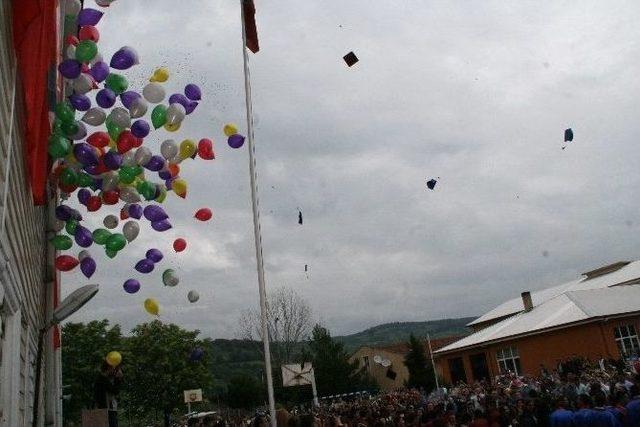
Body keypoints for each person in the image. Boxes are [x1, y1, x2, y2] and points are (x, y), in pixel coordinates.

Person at [92, 361, 123, 427]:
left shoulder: (102, 379)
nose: (115, 371)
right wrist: (118, 379)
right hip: (107, 411)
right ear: (109, 368)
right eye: (114, 369)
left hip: (107, 410)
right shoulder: (102, 379)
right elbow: (115, 390)